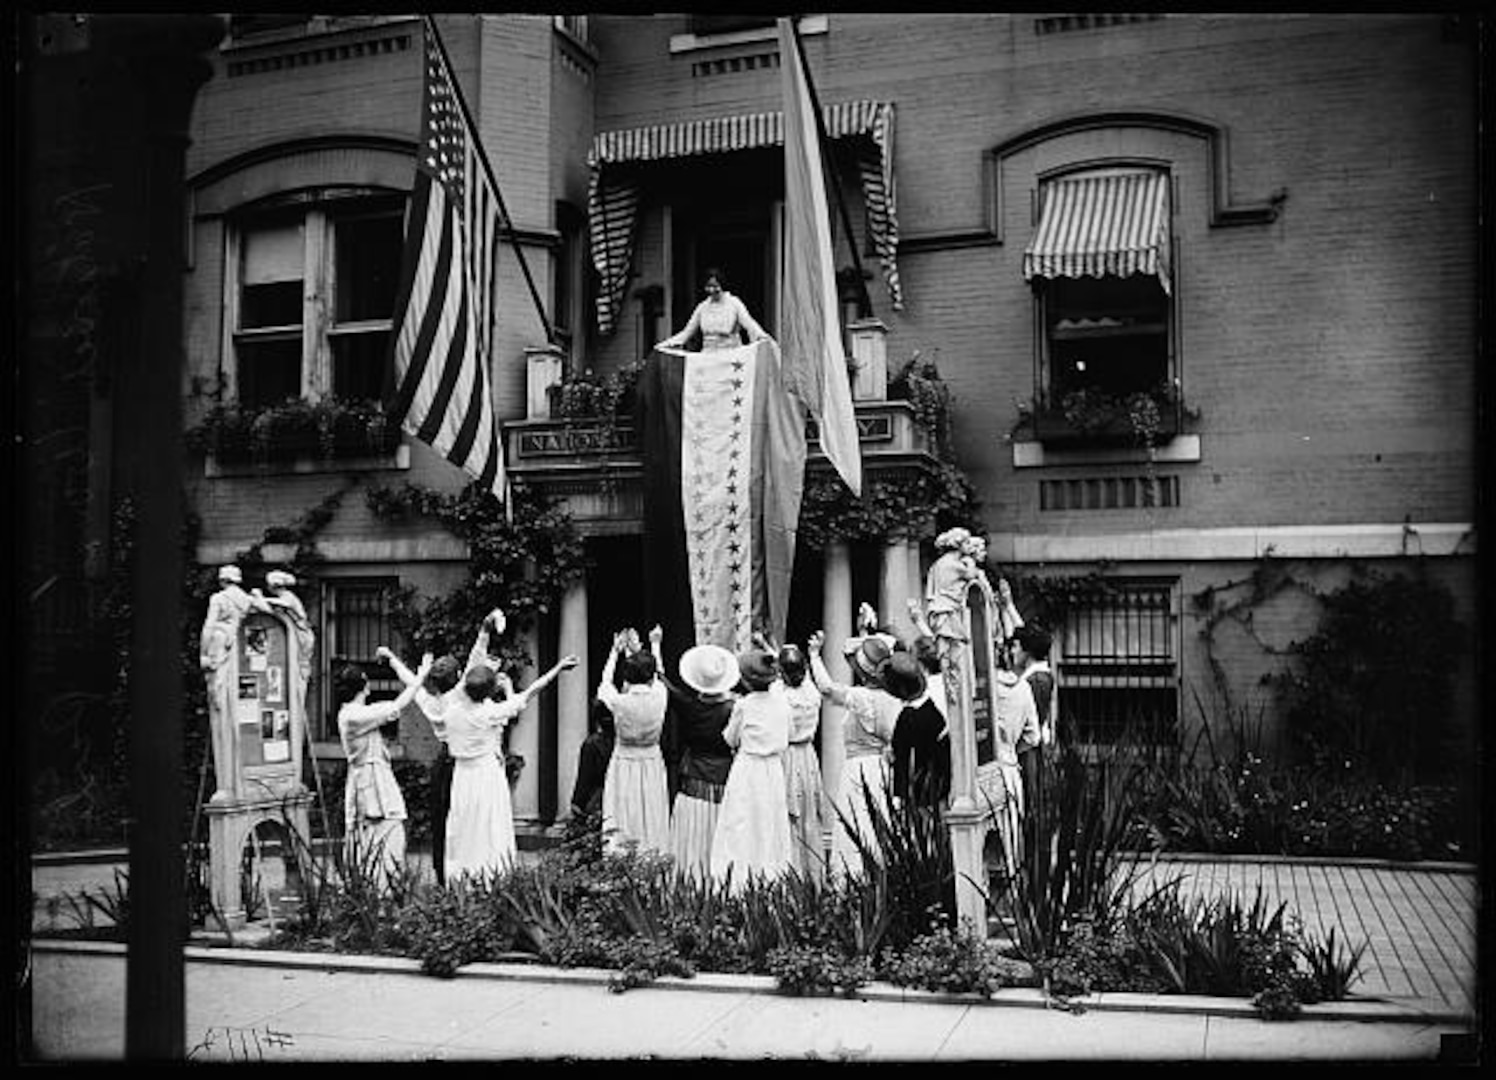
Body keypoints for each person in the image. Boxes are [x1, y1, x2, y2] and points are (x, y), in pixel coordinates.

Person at [440, 616, 580, 883]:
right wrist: (558, 667)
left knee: (465, 824)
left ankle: (463, 878)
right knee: (490, 824)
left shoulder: (451, 706)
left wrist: (483, 631)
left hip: (463, 774)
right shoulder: (491, 713)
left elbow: (474, 660)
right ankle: (492, 875)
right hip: (486, 774)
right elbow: (532, 692)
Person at [807, 629, 904, 878]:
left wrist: (815, 656)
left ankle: (855, 877)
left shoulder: (861, 697)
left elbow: (827, 688)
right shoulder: (896, 697)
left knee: (856, 823)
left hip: (859, 769)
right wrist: (865, 634)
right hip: (884, 768)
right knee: (878, 824)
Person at [335, 654, 431, 889]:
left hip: (373, 779)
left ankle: (381, 888)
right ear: (364, 686)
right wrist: (421, 675)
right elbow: (398, 705)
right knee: (384, 835)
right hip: (370, 784)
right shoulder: (353, 716)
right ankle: (379, 890)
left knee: (382, 835)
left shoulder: (356, 713)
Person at [378, 647, 464, 885]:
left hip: (442, 765)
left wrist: (394, 660)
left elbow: (411, 683)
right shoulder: (459, 699)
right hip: (462, 765)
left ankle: (442, 875)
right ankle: (462, 875)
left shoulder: (430, 702)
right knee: (461, 820)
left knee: (440, 821)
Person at [710, 647, 793, 890]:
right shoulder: (782, 704)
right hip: (773, 769)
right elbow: (788, 734)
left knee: (742, 822)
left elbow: (729, 738)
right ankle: (770, 877)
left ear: (744, 680)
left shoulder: (744, 706)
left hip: (748, 768)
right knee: (769, 822)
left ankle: (738, 880)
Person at [662, 642, 740, 878]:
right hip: (723, 776)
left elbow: (666, 686)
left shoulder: (689, 706)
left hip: (693, 778)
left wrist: (656, 647)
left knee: (694, 829)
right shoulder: (735, 708)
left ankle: (692, 875)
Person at [199, 564, 273, 798]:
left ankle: (227, 782)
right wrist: (258, 597)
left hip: (220, 647)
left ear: (222, 581)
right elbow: (266, 610)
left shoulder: (219, 598)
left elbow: (209, 626)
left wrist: (203, 653)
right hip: (237, 649)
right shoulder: (244, 599)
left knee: (218, 697)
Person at [596, 625, 670, 855]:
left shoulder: (619, 702)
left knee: (623, 810)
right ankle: (653, 857)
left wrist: (614, 652)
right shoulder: (659, 696)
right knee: (651, 809)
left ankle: (621, 858)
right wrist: (655, 645)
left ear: (627, 678)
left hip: (624, 761)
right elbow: (659, 675)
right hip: (650, 759)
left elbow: (605, 683)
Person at [778, 642, 827, 881]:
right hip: (808, 755)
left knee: (790, 817)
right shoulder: (812, 692)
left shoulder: (781, 697)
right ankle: (813, 875)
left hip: (788, 756)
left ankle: (794, 875)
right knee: (809, 816)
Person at [886, 651, 950, 811]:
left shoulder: (907, 717)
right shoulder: (934, 710)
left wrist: (898, 796)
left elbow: (902, 758)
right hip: (941, 788)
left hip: (918, 793)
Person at [656, 267, 770, 352]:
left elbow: (749, 323)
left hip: (731, 356)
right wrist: (665, 344)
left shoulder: (734, 303)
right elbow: (687, 332)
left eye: (715, 286)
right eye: (708, 286)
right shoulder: (702, 307)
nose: (712, 290)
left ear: (722, 285)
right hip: (709, 357)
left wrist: (762, 337)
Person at [1011, 623, 1057, 824]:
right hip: (1033, 747)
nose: (1012, 651)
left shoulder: (1035, 681)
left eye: (1016, 646)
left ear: (1026, 651)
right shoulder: (1037, 676)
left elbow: (1030, 722)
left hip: (1030, 749)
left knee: (1031, 803)